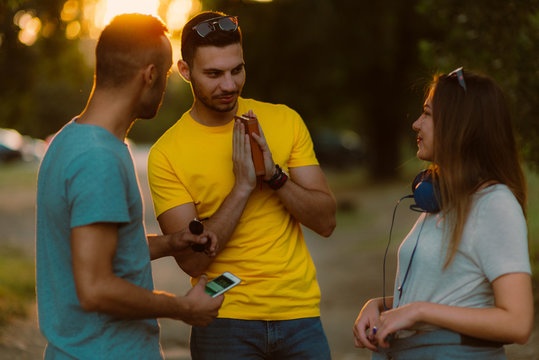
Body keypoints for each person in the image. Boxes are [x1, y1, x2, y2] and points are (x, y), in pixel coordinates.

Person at [147, 11, 337, 360]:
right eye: (214, 74)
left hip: (299, 316)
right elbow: (191, 263)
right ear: (185, 71)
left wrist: (275, 177)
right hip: (223, 321)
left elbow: (326, 221)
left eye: (237, 69)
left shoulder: (283, 120)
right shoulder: (166, 154)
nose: (230, 85)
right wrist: (243, 187)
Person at [36, 14, 223, 360]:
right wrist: (183, 307)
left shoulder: (69, 139)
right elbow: (96, 288)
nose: (165, 87)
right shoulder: (98, 159)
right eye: (166, 74)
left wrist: (171, 243)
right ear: (149, 75)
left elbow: (96, 249)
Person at [353, 68, 533, 359]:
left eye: (426, 114)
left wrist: (417, 311)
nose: (415, 124)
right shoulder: (442, 200)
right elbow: (447, 293)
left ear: (459, 126)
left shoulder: (494, 204)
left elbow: (518, 322)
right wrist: (380, 305)